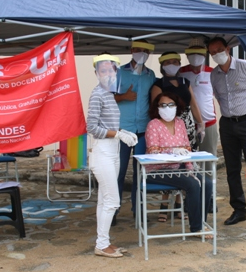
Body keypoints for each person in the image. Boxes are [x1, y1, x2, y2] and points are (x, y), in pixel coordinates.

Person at [207, 37, 246, 230]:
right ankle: (239, 210)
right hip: (227, 124)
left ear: (227, 49)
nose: (216, 54)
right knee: (232, 169)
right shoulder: (214, 75)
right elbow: (218, 97)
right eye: (212, 52)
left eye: (219, 50)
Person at [87, 53, 138, 258]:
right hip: (103, 152)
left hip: (113, 150)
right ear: (96, 73)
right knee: (112, 201)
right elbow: (91, 127)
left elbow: (107, 123)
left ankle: (103, 242)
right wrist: (117, 133)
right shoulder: (97, 93)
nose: (107, 74)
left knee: (104, 200)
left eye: (111, 70)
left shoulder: (109, 93)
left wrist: (120, 133)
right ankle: (101, 244)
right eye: (103, 70)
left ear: (116, 71)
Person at [145, 91, 213, 237]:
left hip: (179, 168)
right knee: (193, 184)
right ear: (157, 108)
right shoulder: (153, 125)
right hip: (157, 170)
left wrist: (190, 169)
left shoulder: (180, 123)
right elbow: (153, 152)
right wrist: (173, 151)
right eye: (163, 105)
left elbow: (186, 149)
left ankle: (201, 221)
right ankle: (196, 229)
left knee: (206, 183)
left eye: (170, 104)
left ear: (177, 106)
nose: (167, 108)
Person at [151, 51, 204, 221]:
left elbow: (193, 104)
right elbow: (155, 109)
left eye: (175, 61)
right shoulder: (158, 84)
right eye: (168, 62)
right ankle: (164, 205)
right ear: (162, 65)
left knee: (185, 165)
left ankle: (180, 205)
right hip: (167, 127)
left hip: (186, 125)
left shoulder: (184, 82)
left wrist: (200, 124)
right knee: (168, 164)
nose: (172, 64)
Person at [113, 40, 157, 225]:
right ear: (131, 51)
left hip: (142, 130)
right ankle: (113, 211)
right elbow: (107, 97)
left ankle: (137, 209)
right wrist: (124, 96)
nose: (142, 54)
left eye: (145, 51)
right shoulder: (119, 72)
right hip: (123, 131)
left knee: (140, 172)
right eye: (138, 50)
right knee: (118, 172)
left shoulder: (151, 75)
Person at [179, 38, 218, 213]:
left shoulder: (213, 72)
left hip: (208, 123)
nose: (196, 57)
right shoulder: (181, 73)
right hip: (187, 125)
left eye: (199, 54)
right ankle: (191, 198)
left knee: (208, 162)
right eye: (192, 54)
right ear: (187, 56)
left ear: (205, 55)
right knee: (188, 163)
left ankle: (209, 198)